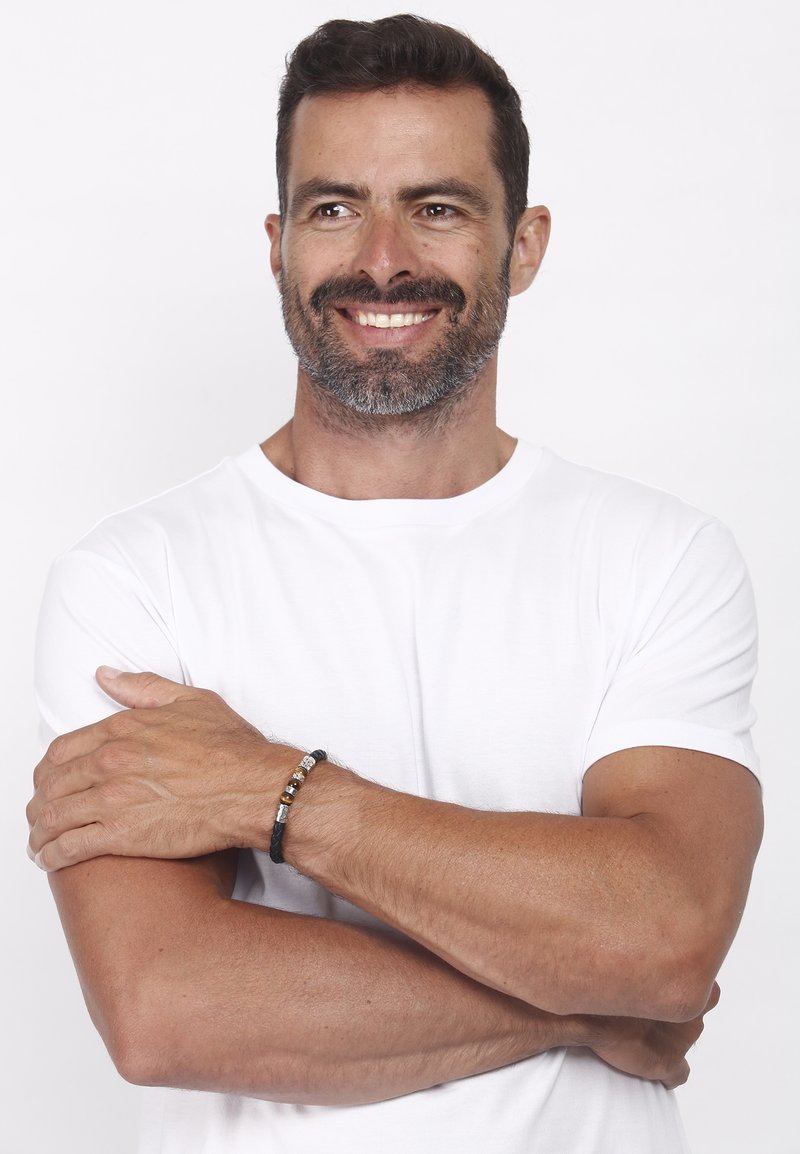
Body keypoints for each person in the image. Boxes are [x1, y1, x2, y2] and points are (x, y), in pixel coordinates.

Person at [27, 14, 763, 1154]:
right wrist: (583, 1000)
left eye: (436, 206)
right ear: (277, 242)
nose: (379, 258)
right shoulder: (134, 580)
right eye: (333, 208)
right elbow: (167, 1003)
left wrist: (276, 792)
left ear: (523, 244)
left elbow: (663, 934)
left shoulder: (659, 556)